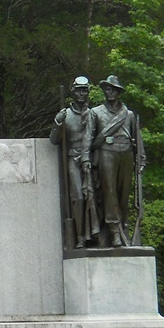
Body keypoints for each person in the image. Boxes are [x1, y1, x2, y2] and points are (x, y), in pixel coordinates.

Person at [82, 75, 146, 247]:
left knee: (123, 194)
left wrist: (141, 160)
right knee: (109, 193)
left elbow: (137, 140)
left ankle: (123, 227)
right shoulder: (95, 113)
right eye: (107, 89)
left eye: (113, 89)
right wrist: (85, 158)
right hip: (106, 153)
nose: (110, 92)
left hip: (126, 155)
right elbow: (88, 137)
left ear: (119, 92)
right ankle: (114, 231)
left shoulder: (129, 115)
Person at [49, 76, 96, 248]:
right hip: (73, 158)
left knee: (95, 198)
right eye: (78, 90)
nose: (82, 94)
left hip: (92, 159)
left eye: (85, 90)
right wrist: (57, 122)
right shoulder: (65, 114)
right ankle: (80, 236)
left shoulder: (94, 114)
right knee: (78, 197)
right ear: (73, 92)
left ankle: (96, 234)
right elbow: (54, 141)